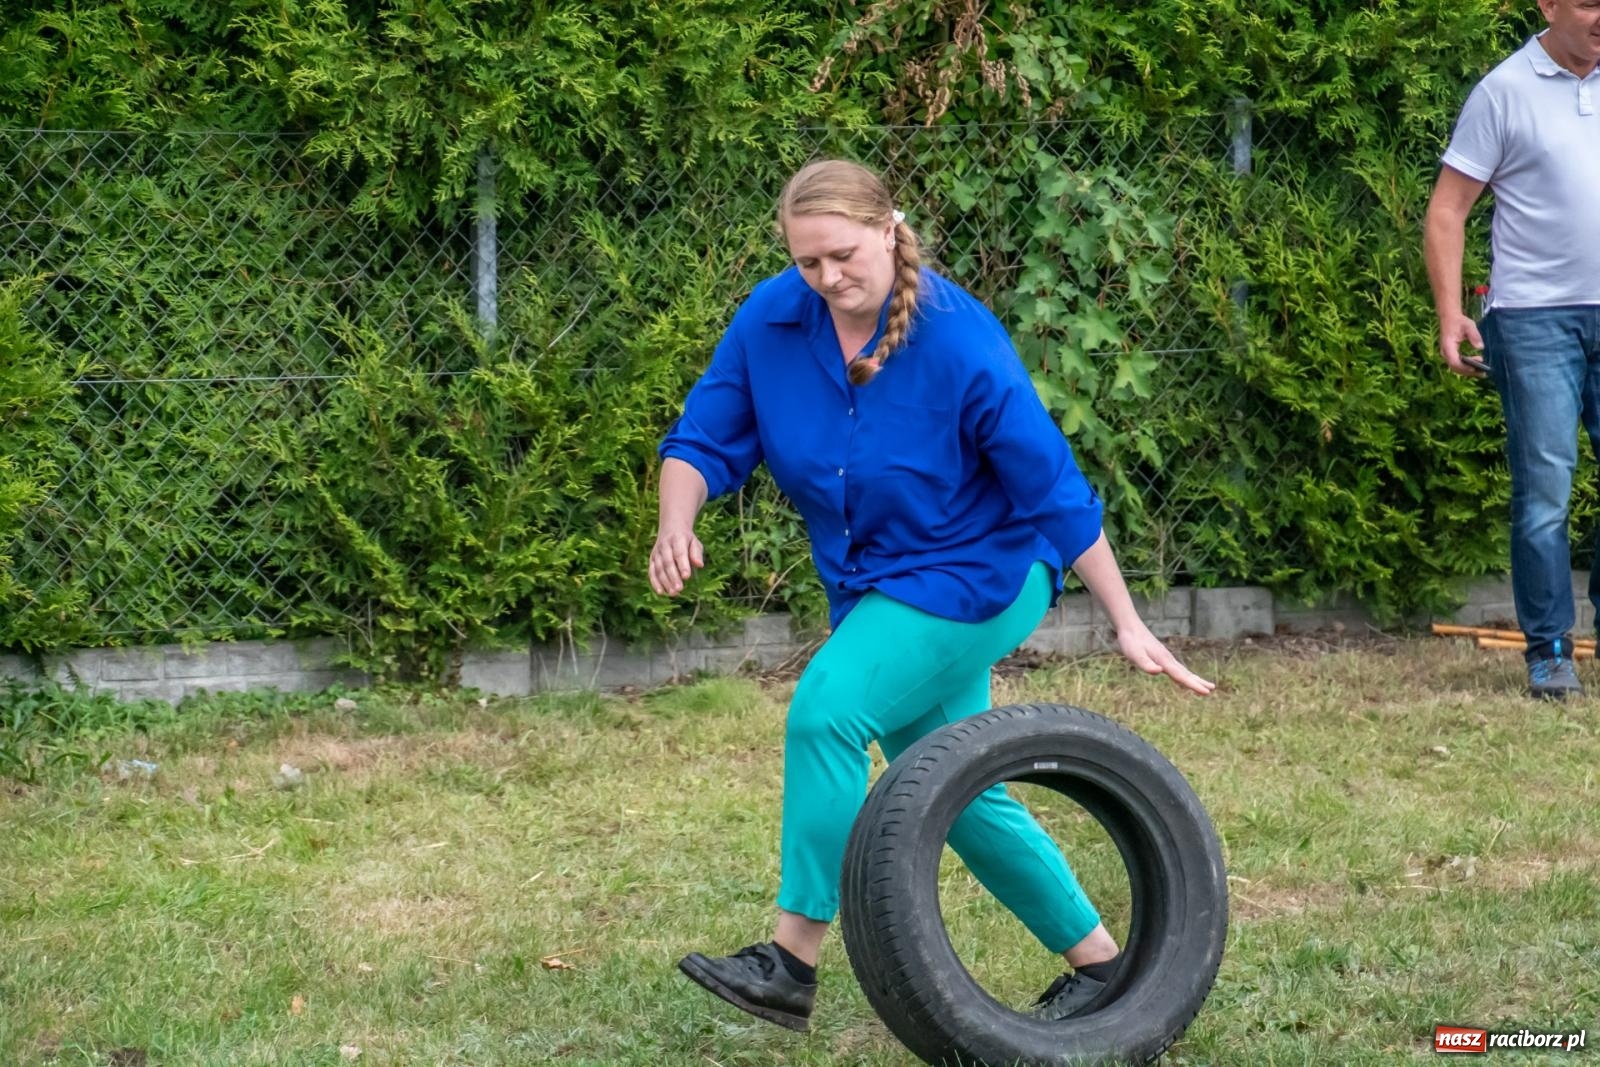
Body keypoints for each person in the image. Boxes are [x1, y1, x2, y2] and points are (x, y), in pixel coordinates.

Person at [649, 158, 1215, 1033]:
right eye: (808, 263)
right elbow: (703, 436)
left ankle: (789, 960)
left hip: (980, 575)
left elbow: (1050, 485)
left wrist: (1127, 618)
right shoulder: (772, 319)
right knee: (948, 782)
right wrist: (673, 521)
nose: (829, 279)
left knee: (826, 713)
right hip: (875, 584)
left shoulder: (957, 339)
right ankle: (1103, 968)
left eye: (843, 255)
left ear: (888, 229)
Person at [1423, 0, 1600, 700]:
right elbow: (1447, 209)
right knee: (1546, 493)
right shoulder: (1504, 90)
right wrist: (1449, 314)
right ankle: (1551, 651)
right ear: (1548, 6)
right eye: (1587, 1)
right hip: (1533, 320)